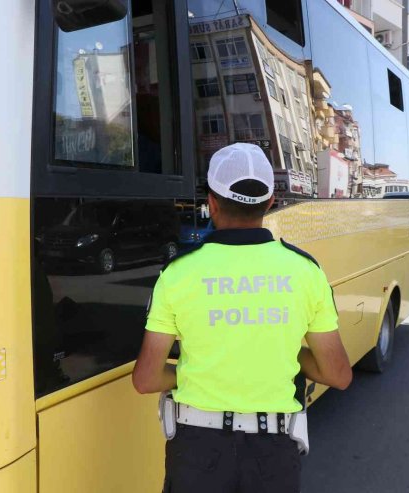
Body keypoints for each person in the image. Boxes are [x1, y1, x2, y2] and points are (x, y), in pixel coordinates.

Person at [132, 143, 352, 493]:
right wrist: (279, 353)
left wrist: (195, 371)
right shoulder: (305, 272)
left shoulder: (177, 274)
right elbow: (337, 374)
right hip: (272, 456)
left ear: (212, 203)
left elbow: (145, 379)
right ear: (269, 203)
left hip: (197, 453)